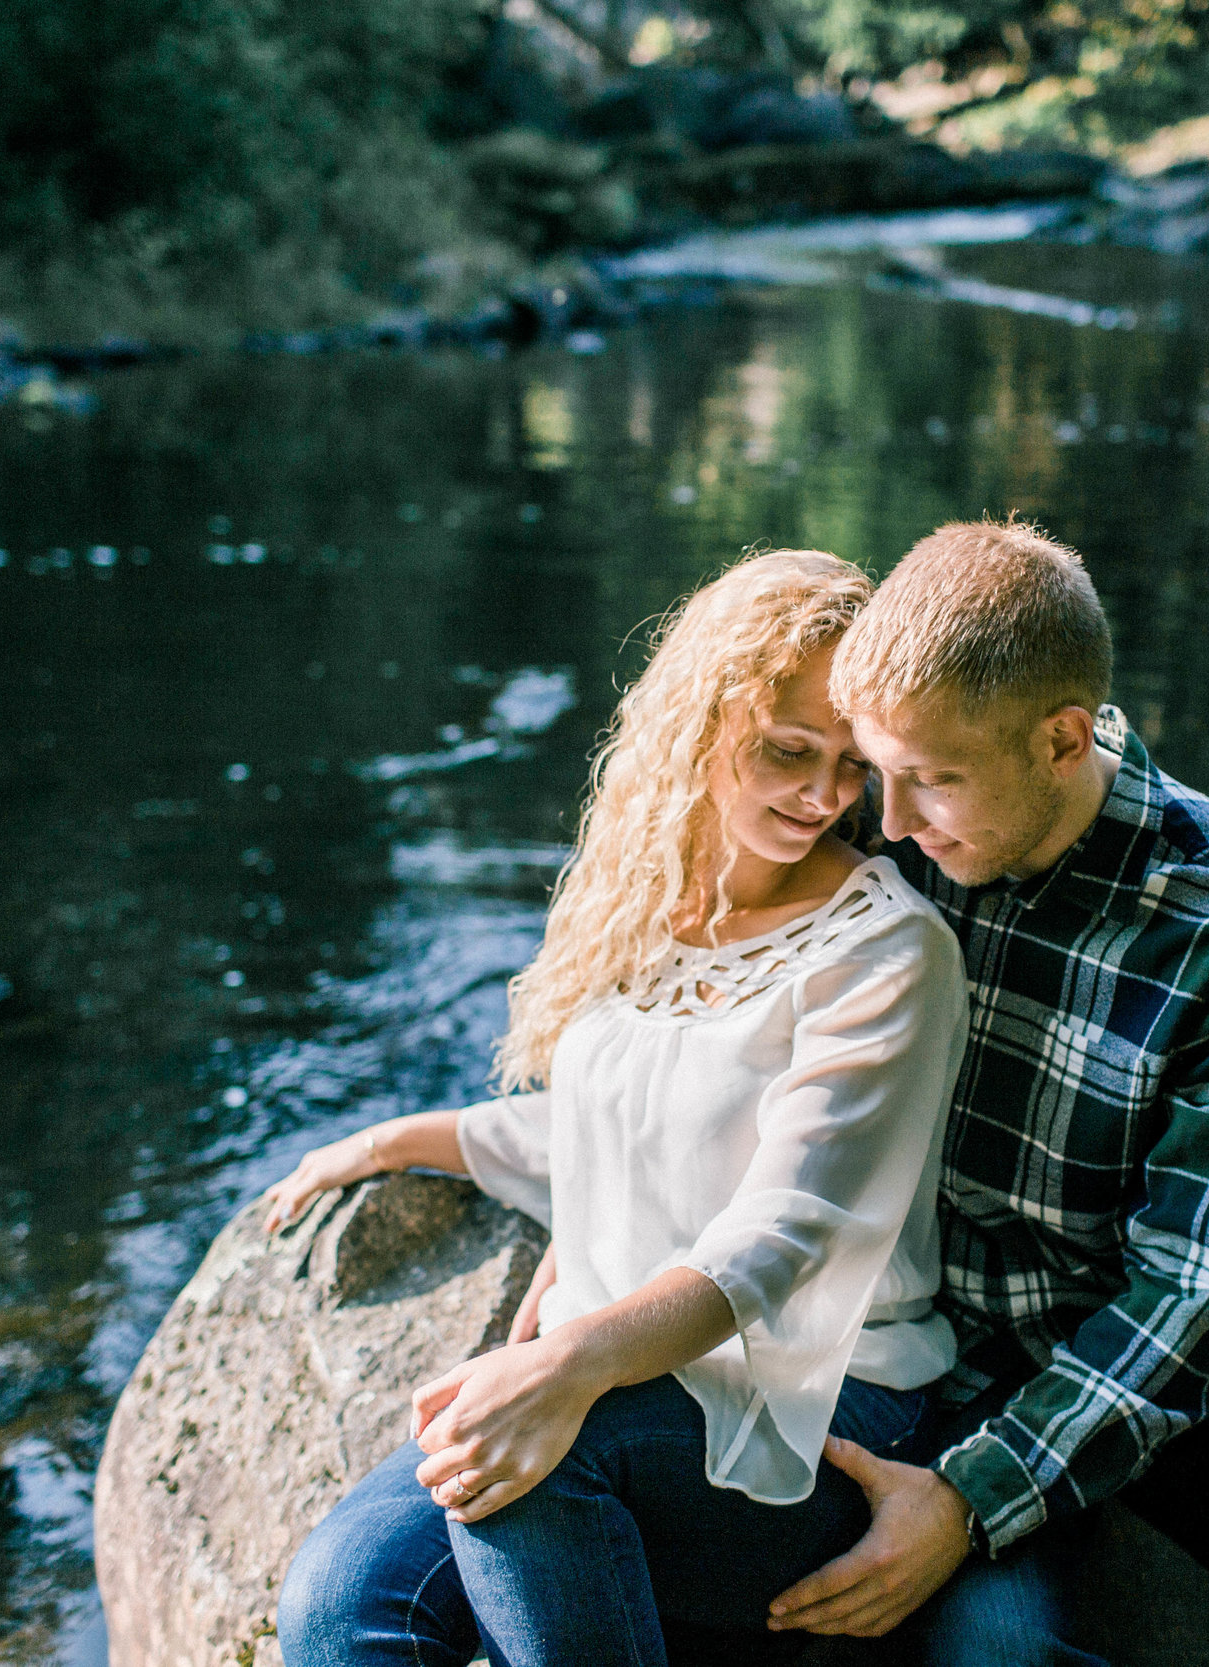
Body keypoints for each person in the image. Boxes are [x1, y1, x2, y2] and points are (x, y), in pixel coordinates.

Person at [759, 520, 1209, 1666]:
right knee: (994, 1657)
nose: (889, 822)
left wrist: (971, 1499)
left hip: (1190, 1351)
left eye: (934, 782)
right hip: (942, 1346)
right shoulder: (886, 822)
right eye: (880, 773)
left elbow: (1198, 1291)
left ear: (1061, 739)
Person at [265, 549, 969, 1667]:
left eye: (852, 764)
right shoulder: (643, 891)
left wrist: (570, 1356)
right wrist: (399, 1138)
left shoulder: (888, 951)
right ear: (700, 718)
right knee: (337, 1605)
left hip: (826, 1402)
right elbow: (620, 1128)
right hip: (634, 1380)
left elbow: (782, 1228)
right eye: (788, 749)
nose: (827, 797)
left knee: (530, 1461)